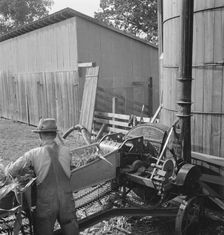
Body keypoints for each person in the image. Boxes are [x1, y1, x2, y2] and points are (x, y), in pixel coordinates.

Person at [6, 118, 79, 235]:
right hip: (67, 202)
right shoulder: (67, 151)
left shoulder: (33, 154)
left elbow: (11, 171)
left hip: (46, 204)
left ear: (40, 135)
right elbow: (70, 169)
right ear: (55, 134)